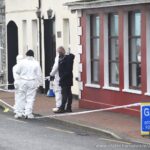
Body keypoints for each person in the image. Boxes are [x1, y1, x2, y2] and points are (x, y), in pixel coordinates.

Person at [13, 50, 42, 119]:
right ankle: (28, 113)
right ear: (33, 55)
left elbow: (17, 71)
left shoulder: (22, 62)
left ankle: (19, 113)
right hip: (32, 82)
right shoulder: (36, 63)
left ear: (26, 55)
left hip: (22, 81)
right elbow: (39, 74)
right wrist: (39, 83)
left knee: (21, 97)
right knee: (30, 98)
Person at [55, 46, 75, 113]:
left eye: (59, 52)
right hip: (65, 78)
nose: (58, 54)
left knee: (65, 94)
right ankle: (68, 108)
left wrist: (62, 78)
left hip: (66, 79)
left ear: (61, 52)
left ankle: (62, 108)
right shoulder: (62, 58)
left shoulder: (67, 59)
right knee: (68, 93)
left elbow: (68, 70)